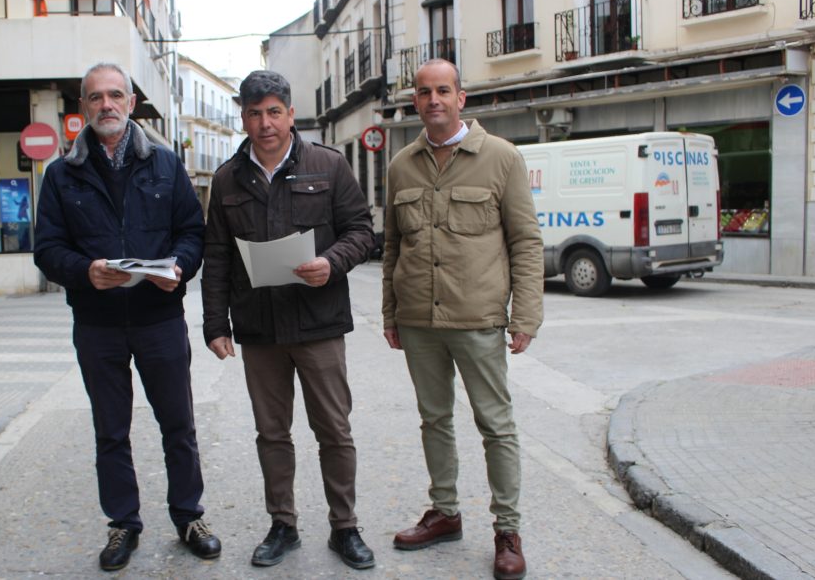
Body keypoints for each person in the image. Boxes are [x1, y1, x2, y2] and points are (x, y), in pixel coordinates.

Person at [34, 62, 221, 572]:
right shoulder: (61, 175)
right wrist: (83, 271)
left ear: (131, 103)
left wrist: (179, 267)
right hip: (97, 325)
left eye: (115, 95)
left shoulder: (165, 165)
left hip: (158, 318)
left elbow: (191, 230)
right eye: (95, 98)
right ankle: (123, 524)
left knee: (177, 424)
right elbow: (47, 249)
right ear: (82, 109)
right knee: (110, 430)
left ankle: (189, 516)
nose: (106, 105)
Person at [201, 70, 376, 570]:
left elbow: (362, 231)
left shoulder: (329, 165)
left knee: (334, 430)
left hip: (319, 322)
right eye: (254, 113)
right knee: (272, 433)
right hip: (259, 328)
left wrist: (332, 262)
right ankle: (283, 524)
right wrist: (216, 325)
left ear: (290, 114)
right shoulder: (228, 178)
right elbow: (217, 256)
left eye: (273, 111)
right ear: (243, 117)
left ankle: (345, 527)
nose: (264, 123)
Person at [381, 59, 543, 580]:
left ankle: (508, 531)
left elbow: (525, 241)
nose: (433, 100)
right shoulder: (401, 165)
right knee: (434, 420)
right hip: (419, 320)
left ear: (461, 98)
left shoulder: (501, 158)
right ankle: (445, 513)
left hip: (478, 320)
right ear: (416, 102)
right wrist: (391, 313)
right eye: (424, 92)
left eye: (443, 90)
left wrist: (527, 315)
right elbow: (392, 249)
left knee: (496, 425)